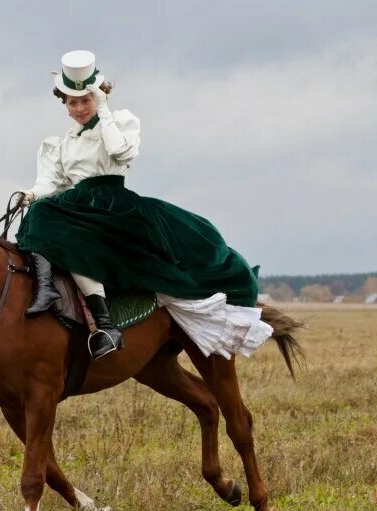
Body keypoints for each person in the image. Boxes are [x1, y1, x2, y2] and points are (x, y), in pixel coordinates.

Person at [16, 50, 272, 360]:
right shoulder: (63, 143)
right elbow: (51, 183)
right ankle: (47, 291)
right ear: (65, 105)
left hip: (113, 204)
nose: (80, 108)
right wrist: (30, 192)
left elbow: (119, 151)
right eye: (73, 102)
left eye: (86, 100)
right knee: (38, 212)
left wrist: (105, 109)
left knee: (62, 230)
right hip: (78, 203)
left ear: (97, 98)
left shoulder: (120, 122)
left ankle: (106, 326)